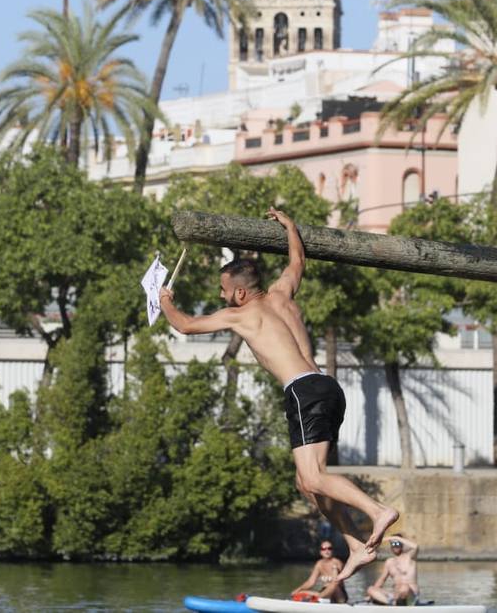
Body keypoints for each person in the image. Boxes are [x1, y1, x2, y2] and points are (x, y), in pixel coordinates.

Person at [159, 207, 399, 582]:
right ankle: (355, 544)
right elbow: (297, 259)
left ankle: (378, 511)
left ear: (239, 292)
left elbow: (187, 326)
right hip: (327, 388)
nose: (222, 296)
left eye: (223, 291)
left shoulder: (242, 315)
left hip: (302, 391)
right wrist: (290, 227)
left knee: (315, 478)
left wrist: (165, 302)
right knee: (306, 483)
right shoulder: (283, 292)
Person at [365, 534, 419, 607]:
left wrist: (395, 538)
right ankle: (390, 603)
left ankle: (393, 602)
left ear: (402, 544)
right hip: (395, 596)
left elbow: (415, 546)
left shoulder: (410, 557)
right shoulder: (389, 562)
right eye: (393, 543)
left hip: (410, 595)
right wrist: (372, 595)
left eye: (397, 543)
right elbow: (382, 579)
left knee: (404, 587)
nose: (395, 546)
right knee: (370, 589)